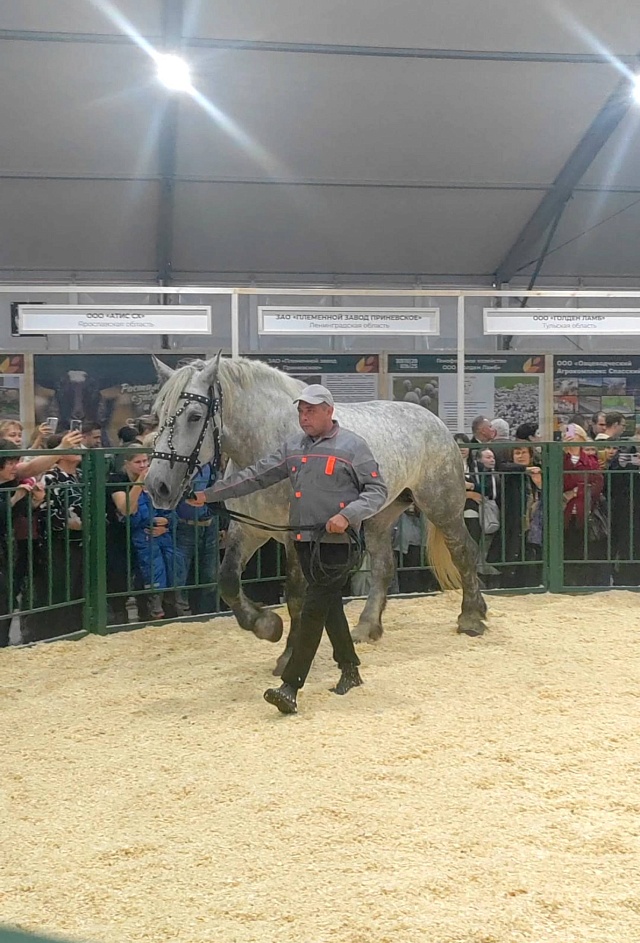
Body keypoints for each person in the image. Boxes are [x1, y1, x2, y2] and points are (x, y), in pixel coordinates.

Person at [188, 384, 388, 714]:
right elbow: (255, 476)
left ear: (329, 411)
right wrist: (210, 494)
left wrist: (347, 515)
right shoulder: (293, 447)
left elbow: (377, 490)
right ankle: (350, 670)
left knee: (311, 609)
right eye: (300, 411)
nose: (304, 417)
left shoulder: (353, 446)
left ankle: (291, 686)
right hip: (303, 541)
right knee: (330, 607)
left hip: (337, 544)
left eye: (310, 411)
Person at [22, 435, 85, 642]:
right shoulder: (50, 478)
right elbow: (45, 512)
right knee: (58, 588)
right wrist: (69, 524)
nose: (78, 449)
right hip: (59, 543)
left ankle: (77, 630)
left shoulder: (83, 475)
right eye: (72, 446)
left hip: (82, 541)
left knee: (79, 588)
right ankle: (52, 634)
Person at [111, 448, 183, 620]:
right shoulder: (117, 480)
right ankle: (138, 614)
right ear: (126, 464)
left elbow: (169, 509)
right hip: (125, 539)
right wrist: (140, 483)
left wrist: (166, 523)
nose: (143, 466)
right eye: (138, 462)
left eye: (146, 461)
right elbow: (128, 509)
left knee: (171, 567)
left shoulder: (156, 483)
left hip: (157, 538)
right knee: (138, 577)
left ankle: (168, 608)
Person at [174, 463, 228, 616]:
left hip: (210, 523)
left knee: (211, 574)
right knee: (180, 575)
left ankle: (209, 614)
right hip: (183, 524)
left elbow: (219, 494)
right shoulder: (179, 464)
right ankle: (181, 615)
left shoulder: (212, 465)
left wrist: (223, 524)